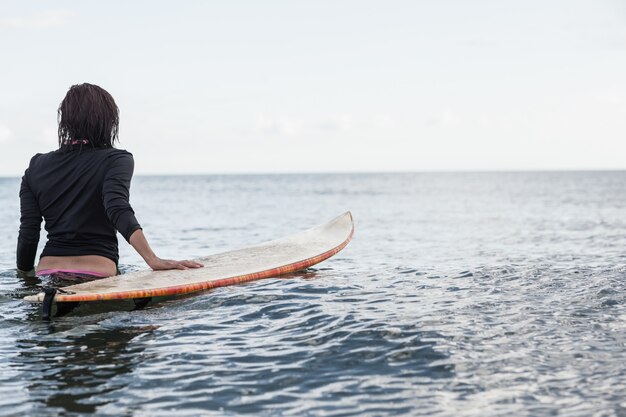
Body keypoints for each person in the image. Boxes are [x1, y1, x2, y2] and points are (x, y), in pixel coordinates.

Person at [16, 83, 203, 279]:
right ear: (107, 120)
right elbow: (117, 207)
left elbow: (28, 231)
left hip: (48, 272)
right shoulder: (116, 160)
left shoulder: (36, 166)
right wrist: (152, 259)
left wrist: (25, 279)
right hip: (98, 272)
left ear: (65, 121)